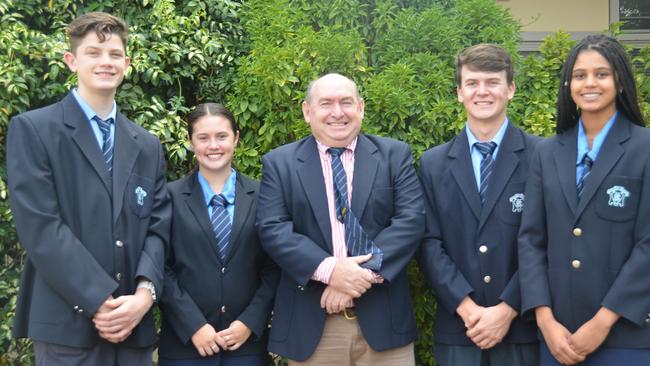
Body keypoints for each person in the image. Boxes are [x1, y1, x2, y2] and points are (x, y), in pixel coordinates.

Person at [6, 12, 170, 366]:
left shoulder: (147, 144)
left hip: (134, 326)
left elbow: (158, 227)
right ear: (72, 60)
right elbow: (40, 228)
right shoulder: (34, 130)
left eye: (114, 54)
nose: (105, 62)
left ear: (126, 63)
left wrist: (144, 296)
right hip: (67, 326)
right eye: (94, 52)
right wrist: (101, 299)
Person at [256, 73, 425, 365]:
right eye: (326, 104)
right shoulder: (279, 163)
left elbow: (411, 220)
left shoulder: (394, 156)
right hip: (314, 326)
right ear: (307, 111)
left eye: (346, 102)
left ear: (360, 108)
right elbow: (273, 229)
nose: (338, 112)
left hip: (385, 323)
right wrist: (331, 271)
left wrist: (358, 277)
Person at [519, 34, 650, 365]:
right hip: (556, 338)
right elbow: (531, 240)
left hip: (626, 336)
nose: (589, 83)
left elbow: (647, 245)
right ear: (568, 85)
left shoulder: (644, 149)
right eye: (579, 75)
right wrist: (545, 320)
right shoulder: (546, 153)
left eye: (601, 74)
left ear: (620, 81)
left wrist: (603, 321)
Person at [417, 44, 540, 366]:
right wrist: (466, 307)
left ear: (510, 89)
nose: (482, 92)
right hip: (460, 329)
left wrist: (508, 308)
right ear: (459, 92)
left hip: (522, 327)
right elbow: (429, 243)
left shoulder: (542, 156)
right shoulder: (433, 164)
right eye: (472, 83)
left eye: (492, 82)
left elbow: (548, 240)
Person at [158, 103, 279, 366]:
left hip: (246, 347)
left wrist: (250, 322)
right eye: (203, 138)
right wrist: (193, 326)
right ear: (191, 142)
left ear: (235, 138)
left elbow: (274, 267)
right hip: (185, 347)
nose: (213, 145)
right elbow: (160, 267)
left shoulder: (264, 196)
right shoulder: (169, 197)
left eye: (221, 136)